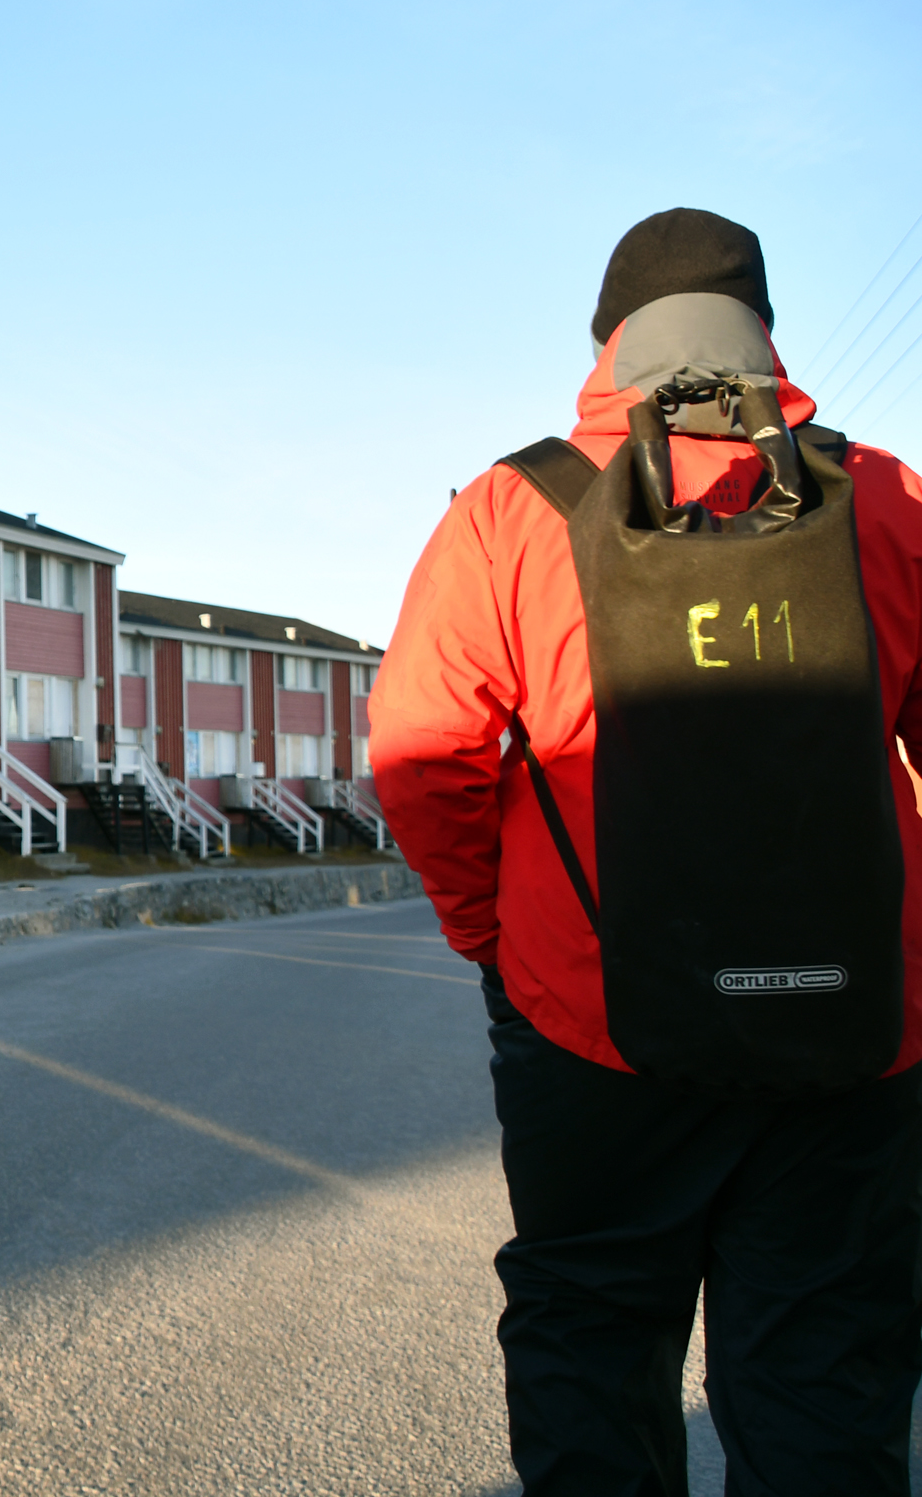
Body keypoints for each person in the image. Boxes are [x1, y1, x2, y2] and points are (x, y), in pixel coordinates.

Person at [371, 208, 922, 1494]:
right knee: (826, 1372)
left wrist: (496, 941)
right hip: (854, 1027)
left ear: (608, 347)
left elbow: (421, 752)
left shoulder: (513, 509)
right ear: (764, 333)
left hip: (595, 1018)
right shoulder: (888, 499)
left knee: (595, 1341)